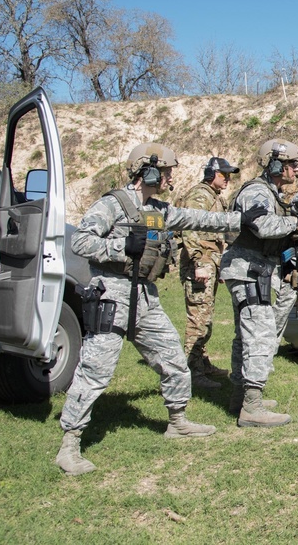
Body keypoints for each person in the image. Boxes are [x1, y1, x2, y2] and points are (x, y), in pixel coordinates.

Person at [56, 143, 244, 476]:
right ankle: (70, 444)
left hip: (144, 295)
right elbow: (79, 241)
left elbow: (195, 217)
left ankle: (178, 421)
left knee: (173, 357)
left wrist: (239, 219)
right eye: (168, 170)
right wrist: (118, 247)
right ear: (150, 171)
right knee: (95, 370)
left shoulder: (157, 210)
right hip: (111, 294)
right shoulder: (112, 205)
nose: (172, 176)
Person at [221, 139, 298, 427]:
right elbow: (261, 225)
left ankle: (241, 396)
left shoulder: (270, 192)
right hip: (249, 269)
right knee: (261, 333)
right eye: (291, 164)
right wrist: (294, 224)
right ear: (274, 164)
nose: (296, 169)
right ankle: (252, 407)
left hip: (254, 269)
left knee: (244, 336)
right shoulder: (258, 191)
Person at [176, 156, 240, 389]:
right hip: (200, 263)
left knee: (206, 315)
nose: (228, 180)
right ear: (213, 174)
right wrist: (198, 262)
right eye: (225, 175)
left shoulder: (213, 197)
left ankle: (201, 363)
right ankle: (191, 372)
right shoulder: (200, 195)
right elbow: (188, 226)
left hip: (208, 260)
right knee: (198, 318)